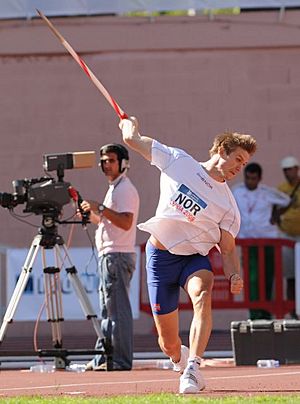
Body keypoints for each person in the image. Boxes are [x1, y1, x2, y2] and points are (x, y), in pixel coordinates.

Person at [119, 116, 257, 394]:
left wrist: (233, 273)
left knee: (203, 296)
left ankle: (193, 368)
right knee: (167, 343)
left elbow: (227, 248)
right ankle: (179, 358)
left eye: (244, 164)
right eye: (237, 159)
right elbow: (133, 141)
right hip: (159, 258)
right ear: (221, 150)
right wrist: (129, 125)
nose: (239, 168)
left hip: (193, 260)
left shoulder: (228, 207)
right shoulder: (178, 161)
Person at [80, 143, 140, 371]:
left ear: (123, 163)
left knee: (117, 312)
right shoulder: (116, 188)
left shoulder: (124, 189)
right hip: (111, 255)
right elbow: (110, 221)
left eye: (111, 160)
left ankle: (120, 361)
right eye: (103, 161)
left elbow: (125, 222)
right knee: (108, 311)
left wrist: (101, 209)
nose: (106, 164)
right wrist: (93, 213)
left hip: (117, 255)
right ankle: (104, 357)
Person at [232, 162, 290, 320]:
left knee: (268, 277)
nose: (251, 182)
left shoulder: (267, 192)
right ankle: (254, 314)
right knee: (252, 279)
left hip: (268, 241)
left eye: (254, 179)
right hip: (248, 242)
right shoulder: (237, 191)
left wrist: (275, 215)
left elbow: (287, 201)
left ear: (260, 178)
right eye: (248, 178)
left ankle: (266, 313)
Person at [276, 156, 300, 316]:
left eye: (290, 169)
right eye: (285, 170)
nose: (288, 173)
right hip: (287, 236)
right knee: (291, 276)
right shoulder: (281, 189)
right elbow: (275, 213)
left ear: (297, 169)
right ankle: (293, 312)